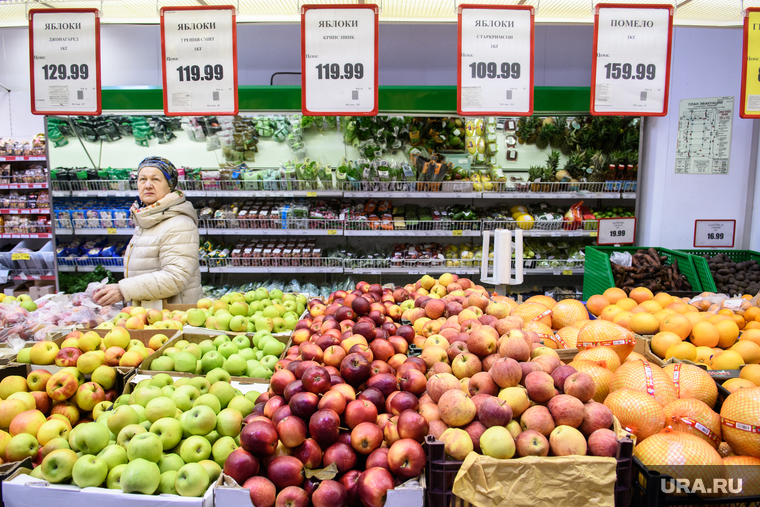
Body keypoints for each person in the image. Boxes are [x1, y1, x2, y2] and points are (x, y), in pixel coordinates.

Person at [93, 156, 202, 307]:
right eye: (142, 179)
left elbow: (175, 277)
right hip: (150, 312)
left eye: (156, 179)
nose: (148, 185)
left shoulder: (179, 224)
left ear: (170, 185)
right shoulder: (147, 218)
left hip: (172, 315)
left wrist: (123, 289)